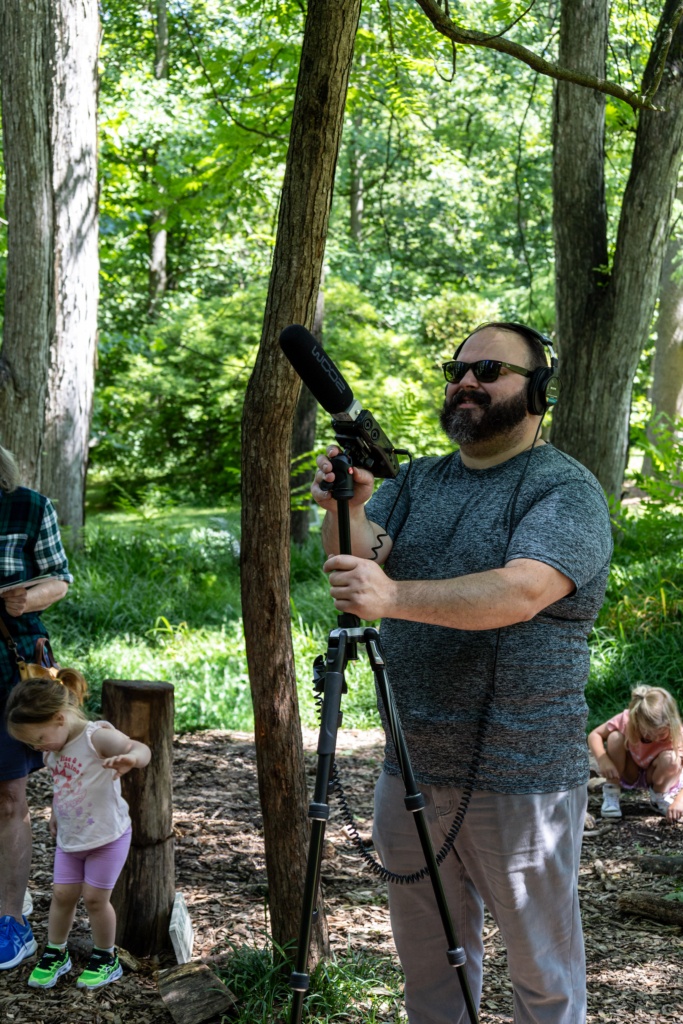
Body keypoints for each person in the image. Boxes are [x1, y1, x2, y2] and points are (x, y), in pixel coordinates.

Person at [313, 322, 613, 1024]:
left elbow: (521, 591)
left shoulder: (564, 490)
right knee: (430, 972)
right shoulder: (417, 479)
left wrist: (391, 597)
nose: (466, 381)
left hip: (522, 781)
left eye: (488, 368)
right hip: (410, 771)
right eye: (456, 369)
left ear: (537, 392)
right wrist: (349, 505)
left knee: (542, 977)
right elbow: (360, 556)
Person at [5, 667, 151, 990]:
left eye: (38, 738)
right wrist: (57, 812)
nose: (37, 748)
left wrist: (131, 759)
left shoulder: (95, 737)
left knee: (96, 899)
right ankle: (57, 952)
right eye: (30, 743)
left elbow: (141, 749)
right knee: (62, 894)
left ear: (59, 718)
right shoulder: (54, 750)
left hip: (107, 837)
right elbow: (64, 784)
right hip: (72, 839)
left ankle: (106, 958)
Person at [0, 445, 72, 971]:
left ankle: (11, 923)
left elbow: (60, 578)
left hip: (10, 666)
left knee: (8, 796)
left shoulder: (28, 506)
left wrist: (30, 597)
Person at [588, 685, 683, 822]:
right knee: (614, 737)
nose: (655, 738)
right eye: (648, 733)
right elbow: (594, 735)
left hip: (657, 774)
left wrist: (680, 801)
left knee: (672, 759)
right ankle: (611, 792)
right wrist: (603, 760)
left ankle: (659, 797)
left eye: (661, 734)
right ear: (637, 721)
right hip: (630, 771)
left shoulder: (677, 733)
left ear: (671, 723)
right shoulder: (628, 720)